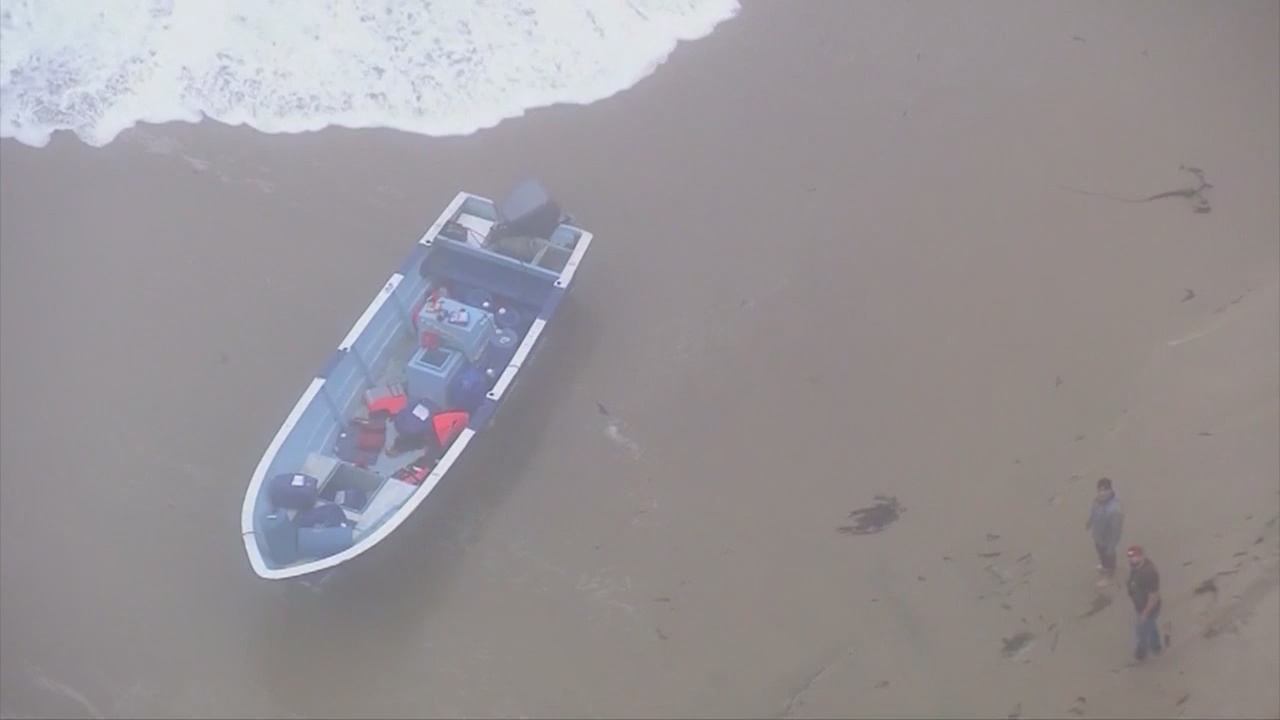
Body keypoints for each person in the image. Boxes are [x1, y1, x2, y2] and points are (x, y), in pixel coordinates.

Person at [1126, 545, 1163, 662]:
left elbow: (1154, 596)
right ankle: (1156, 646)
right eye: (1131, 557)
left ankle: (1141, 653)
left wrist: (1145, 613)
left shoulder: (1149, 573)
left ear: (1142, 556)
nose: (1133, 560)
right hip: (1140, 606)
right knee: (1150, 626)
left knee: (1141, 631)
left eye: (1136, 557)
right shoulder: (1135, 568)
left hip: (1148, 608)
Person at [1086, 477, 1125, 586]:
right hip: (1098, 534)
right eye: (1100, 490)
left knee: (1109, 556)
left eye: (1105, 490)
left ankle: (1109, 577)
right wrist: (1090, 521)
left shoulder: (1115, 511)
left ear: (1110, 490)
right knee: (1101, 553)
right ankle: (1105, 567)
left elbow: (1116, 531)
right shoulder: (1097, 499)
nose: (1102, 493)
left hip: (1108, 540)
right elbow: (1093, 510)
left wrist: (1111, 547)